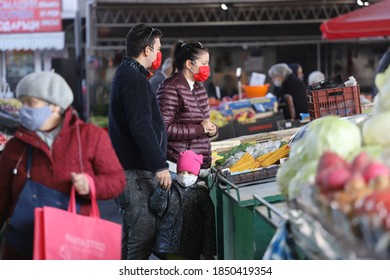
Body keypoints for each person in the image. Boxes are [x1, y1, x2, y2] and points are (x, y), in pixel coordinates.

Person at [0, 71, 126, 260]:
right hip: (22, 247)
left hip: (72, 246)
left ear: (54, 107)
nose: (24, 109)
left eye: (31, 103)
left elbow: (117, 180)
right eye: (22, 102)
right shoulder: (15, 146)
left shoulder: (90, 137)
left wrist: (91, 185)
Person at [108, 23, 172, 260]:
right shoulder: (134, 79)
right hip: (134, 172)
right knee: (143, 234)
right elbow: (141, 125)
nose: (158, 54)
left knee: (132, 234)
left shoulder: (126, 74)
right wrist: (159, 165)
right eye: (157, 49)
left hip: (128, 169)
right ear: (146, 50)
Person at [156, 41, 218, 177]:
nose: (207, 68)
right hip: (179, 169)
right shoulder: (170, 88)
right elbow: (163, 128)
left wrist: (212, 129)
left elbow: (201, 121)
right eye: (204, 63)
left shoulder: (199, 87)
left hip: (198, 165)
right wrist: (201, 129)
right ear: (189, 64)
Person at [150, 150, 216, 260]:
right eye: (181, 172)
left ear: (196, 174)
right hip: (167, 245)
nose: (184, 176)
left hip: (192, 247)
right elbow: (156, 207)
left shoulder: (201, 195)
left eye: (189, 173)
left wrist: (208, 253)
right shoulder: (170, 189)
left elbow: (208, 226)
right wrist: (162, 190)